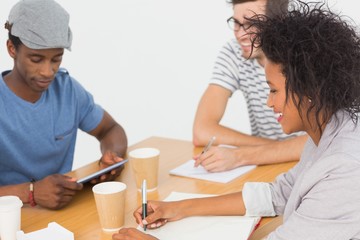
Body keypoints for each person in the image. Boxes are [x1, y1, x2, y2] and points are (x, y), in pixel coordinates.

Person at [113, 1, 360, 239]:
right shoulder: (327, 132)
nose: (268, 102)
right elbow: (277, 194)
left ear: (309, 91)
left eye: (273, 91)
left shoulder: (345, 169)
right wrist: (179, 207)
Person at [0, 0, 128, 210]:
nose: (48, 71)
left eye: (56, 59)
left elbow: (111, 129)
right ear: (12, 49)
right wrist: (32, 192)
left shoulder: (67, 90)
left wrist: (111, 157)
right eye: (36, 59)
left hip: (61, 215)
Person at [192, 0, 308, 173]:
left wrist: (241, 155)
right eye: (237, 23)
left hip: (308, 168)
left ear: (279, 22)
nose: (240, 35)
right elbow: (202, 131)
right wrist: (280, 150)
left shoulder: (309, 55)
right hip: (265, 167)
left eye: (252, 24)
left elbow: (322, 143)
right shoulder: (234, 53)